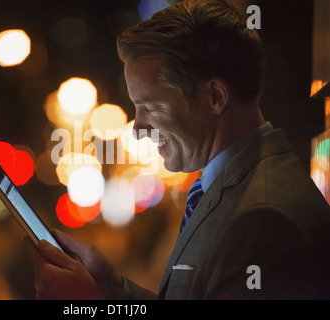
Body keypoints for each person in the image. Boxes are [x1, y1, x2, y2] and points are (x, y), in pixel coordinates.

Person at [26, 0, 330, 299]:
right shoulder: (240, 188)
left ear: (215, 97)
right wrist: (115, 290)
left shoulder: (262, 218)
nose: (137, 128)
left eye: (151, 107)